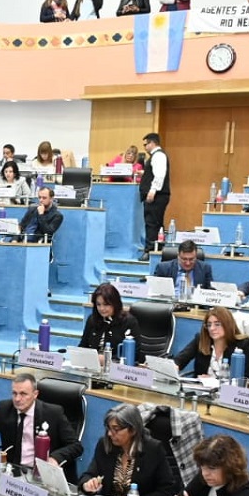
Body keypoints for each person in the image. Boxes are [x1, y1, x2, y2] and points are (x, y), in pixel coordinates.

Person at [0, 371, 83, 482]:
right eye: (14, 393)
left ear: (35, 394)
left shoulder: (53, 413)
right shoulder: (5, 409)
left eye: (23, 394)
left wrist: (55, 458)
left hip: (41, 475)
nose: (17, 399)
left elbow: (76, 446)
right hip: (12, 473)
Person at [78, 404, 177, 496]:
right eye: (108, 428)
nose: (110, 434)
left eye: (116, 429)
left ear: (133, 430)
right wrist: (87, 485)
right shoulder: (105, 444)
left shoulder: (153, 449)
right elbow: (89, 474)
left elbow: (167, 490)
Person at [174, 306, 249, 382]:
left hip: (231, 394)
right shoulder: (201, 340)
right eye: (209, 325)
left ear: (227, 325)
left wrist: (213, 381)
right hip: (202, 393)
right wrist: (175, 366)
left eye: (217, 324)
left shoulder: (242, 344)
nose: (212, 328)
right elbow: (179, 360)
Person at [78, 282, 143, 363]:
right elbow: (83, 346)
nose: (102, 308)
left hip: (117, 368)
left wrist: (107, 359)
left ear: (115, 304)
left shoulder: (129, 321)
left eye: (106, 304)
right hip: (92, 366)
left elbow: (135, 354)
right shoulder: (92, 319)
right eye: (98, 304)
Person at [139, 132, 170, 261]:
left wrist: (153, 190)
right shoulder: (155, 157)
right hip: (157, 194)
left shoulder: (158, 156)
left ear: (152, 143)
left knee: (152, 223)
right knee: (154, 223)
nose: (145, 147)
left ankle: (150, 250)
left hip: (157, 195)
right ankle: (156, 248)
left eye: (146, 144)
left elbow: (159, 175)